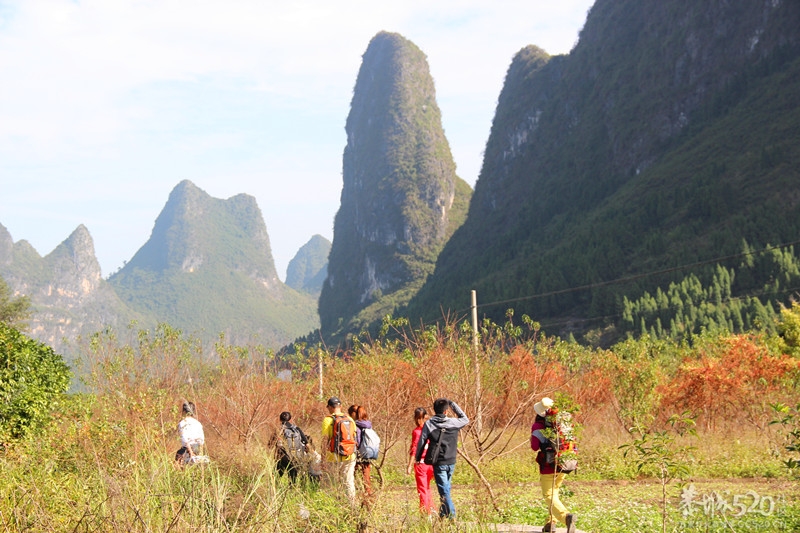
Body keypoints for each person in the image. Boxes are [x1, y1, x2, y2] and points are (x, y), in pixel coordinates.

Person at [414, 398, 469, 519]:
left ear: (434, 410)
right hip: (451, 461)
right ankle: (443, 515)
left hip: (439, 463)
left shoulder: (429, 424)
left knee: (445, 491)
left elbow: (421, 442)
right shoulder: (454, 423)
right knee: (445, 489)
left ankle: (451, 516)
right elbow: (465, 419)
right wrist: (453, 404)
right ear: (446, 411)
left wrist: (418, 457)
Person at [531, 397, 576, 533]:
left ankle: (566, 517)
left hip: (548, 465)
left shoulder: (538, 426)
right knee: (554, 492)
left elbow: (534, 447)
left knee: (548, 495)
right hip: (564, 463)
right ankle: (550, 523)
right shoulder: (563, 423)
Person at [321, 396, 357, 504]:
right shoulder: (350, 419)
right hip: (350, 456)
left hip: (333, 457)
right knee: (348, 482)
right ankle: (351, 505)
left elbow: (324, 441)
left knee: (330, 483)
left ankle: (330, 505)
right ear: (340, 406)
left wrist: (323, 458)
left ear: (330, 407)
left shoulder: (328, 420)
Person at [407, 406, 435, 514]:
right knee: (427, 488)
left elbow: (414, 449)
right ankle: (431, 509)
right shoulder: (431, 429)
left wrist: (409, 465)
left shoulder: (417, 432)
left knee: (422, 490)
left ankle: (425, 512)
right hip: (431, 464)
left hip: (421, 464)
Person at [348, 405, 375, 501]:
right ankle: (369, 497)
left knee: (351, 476)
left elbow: (357, 441)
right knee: (366, 478)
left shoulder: (355, 425)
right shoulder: (367, 424)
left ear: (352, 414)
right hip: (367, 453)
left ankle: (354, 497)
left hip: (358, 454)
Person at [276, 411, 308, 482]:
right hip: (295, 456)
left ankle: (275, 491)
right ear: (290, 419)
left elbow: (270, 444)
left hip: (282, 456)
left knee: (277, 477)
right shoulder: (296, 429)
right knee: (292, 478)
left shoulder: (279, 429)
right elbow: (306, 442)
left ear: (280, 419)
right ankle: (292, 490)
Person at [175, 400, 206, 465]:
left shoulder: (182, 423)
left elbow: (185, 439)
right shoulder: (197, 423)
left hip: (188, 450)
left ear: (183, 411)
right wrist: (200, 452)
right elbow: (201, 439)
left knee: (177, 463)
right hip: (198, 449)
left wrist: (191, 452)